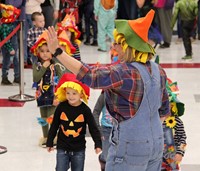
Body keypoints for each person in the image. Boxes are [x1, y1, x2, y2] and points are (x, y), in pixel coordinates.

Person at [46, 9, 170, 171]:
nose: (114, 46)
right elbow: (164, 111)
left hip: (130, 147)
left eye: (118, 43)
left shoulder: (123, 72)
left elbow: (89, 74)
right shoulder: (158, 70)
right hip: (156, 144)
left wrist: (58, 52)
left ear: (128, 47)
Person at [46, 73, 102, 171]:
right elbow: (55, 125)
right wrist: (50, 141)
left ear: (81, 93)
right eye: (68, 93)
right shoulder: (61, 107)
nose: (71, 96)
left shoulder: (85, 110)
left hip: (78, 149)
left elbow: (93, 128)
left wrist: (97, 144)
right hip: (62, 147)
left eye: (74, 93)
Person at [30, 30, 65, 147]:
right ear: (38, 52)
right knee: (43, 116)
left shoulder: (56, 65)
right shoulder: (37, 65)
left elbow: (61, 80)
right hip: (41, 95)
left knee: (52, 116)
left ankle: (53, 137)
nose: (45, 54)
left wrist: (60, 96)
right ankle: (45, 137)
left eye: (48, 51)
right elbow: (35, 78)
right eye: (42, 51)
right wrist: (43, 67)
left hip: (53, 95)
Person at [161, 78, 187, 171]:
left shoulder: (177, 122)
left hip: (172, 160)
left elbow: (182, 139)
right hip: (154, 159)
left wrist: (180, 153)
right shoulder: (153, 121)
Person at [0, 3, 21, 85]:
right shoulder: (5, 26)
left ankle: (17, 77)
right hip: (8, 47)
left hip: (14, 46)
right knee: (6, 62)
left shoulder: (12, 23)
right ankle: (4, 78)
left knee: (16, 61)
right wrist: (10, 48)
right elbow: (5, 39)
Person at [92, 91, 113, 171]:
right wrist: (98, 129)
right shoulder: (104, 95)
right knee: (106, 154)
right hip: (106, 130)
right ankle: (103, 161)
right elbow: (96, 112)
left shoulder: (124, 94)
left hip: (120, 130)